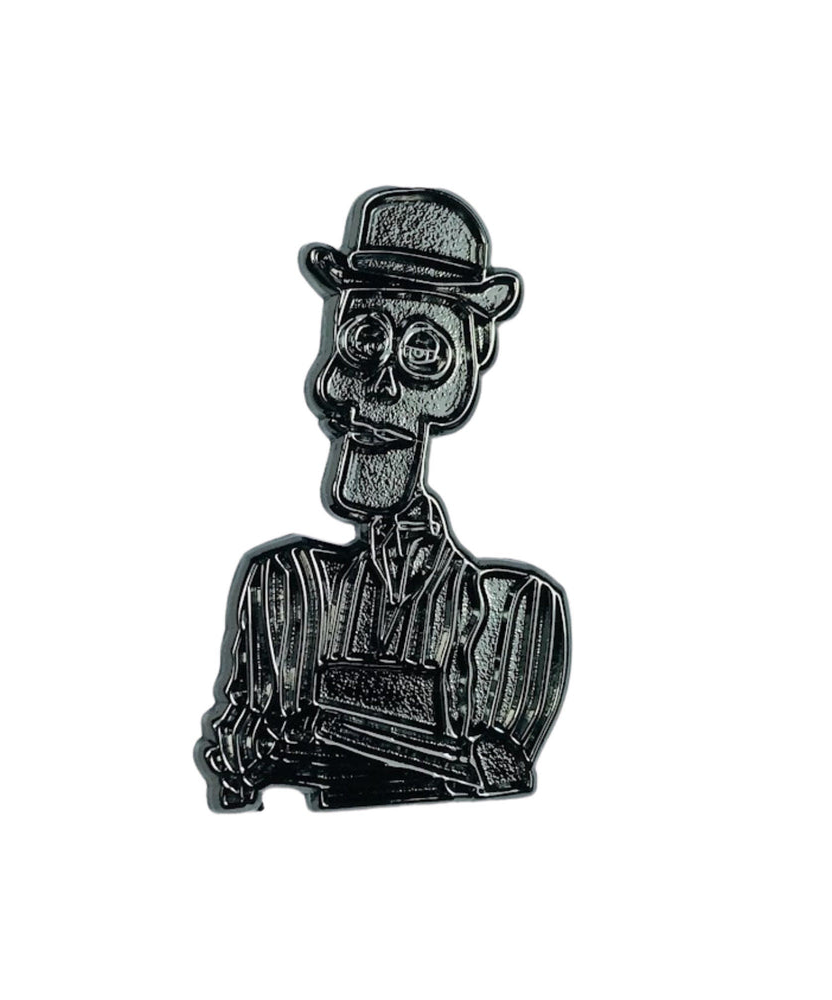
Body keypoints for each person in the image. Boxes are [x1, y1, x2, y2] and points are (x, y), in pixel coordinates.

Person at [196, 187, 570, 810]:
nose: (383, 385)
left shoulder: (515, 610)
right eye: (363, 342)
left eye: (424, 352)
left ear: (468, 369)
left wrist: (318, 733)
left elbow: (502, 774)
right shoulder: (287, 584)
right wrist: (243, 760)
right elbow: (239, 773)